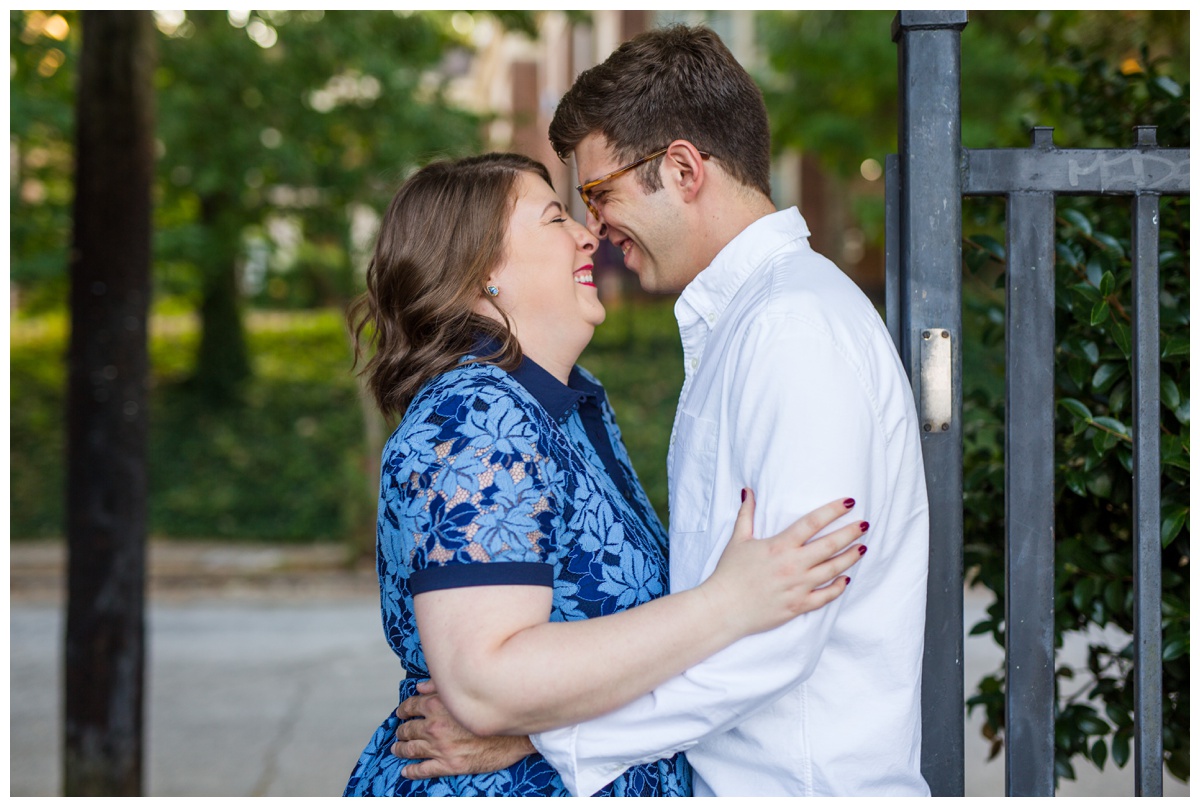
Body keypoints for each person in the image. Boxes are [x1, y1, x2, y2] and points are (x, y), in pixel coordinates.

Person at [390, 25, 931, 796]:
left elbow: (780, 630)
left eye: (597, 192)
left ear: (681, 169)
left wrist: (541, 738)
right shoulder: (749, 324)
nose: (595, 227)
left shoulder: (794, 330)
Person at [342, 151, 868, 796]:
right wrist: (728, 602)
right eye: (556, 217)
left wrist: (543, 733)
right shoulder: (476, 418)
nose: (589, 233)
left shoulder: (565, 405)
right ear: (481, 272)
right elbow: (486, 682)